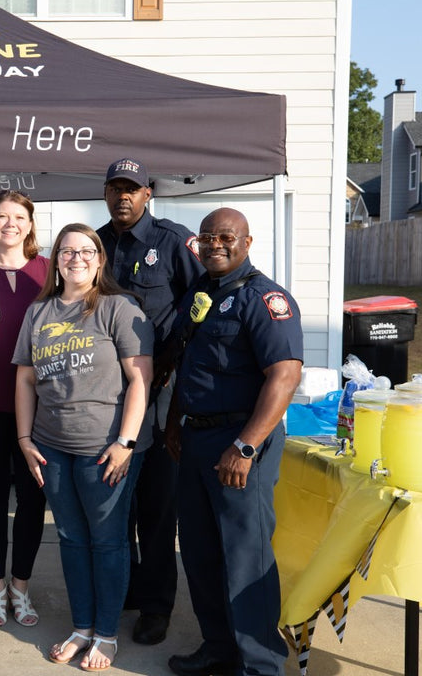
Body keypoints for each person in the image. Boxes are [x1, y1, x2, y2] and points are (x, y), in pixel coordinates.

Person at [164, 207, 303, 676]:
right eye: (207, 237)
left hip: (242, 442)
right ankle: (219, 648)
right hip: (196, 439)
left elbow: (285, 376)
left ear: (247, 243)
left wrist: (245, 447)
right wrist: (174, 423)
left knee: (245, 558)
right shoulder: (200, 293)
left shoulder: (265, 299)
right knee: (200, 551)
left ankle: (261, 665)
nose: (215, 245)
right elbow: (187, 364)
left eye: (226, 237)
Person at [13, 223, 154, 673]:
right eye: (67, 251)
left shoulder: (117, 307)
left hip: (105, 449)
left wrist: (126, 442)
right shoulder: (39, 312)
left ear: (99, 260)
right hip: (51, 447)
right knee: (72, 539)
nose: (76, 258)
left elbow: (140, 379)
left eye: (86, 251)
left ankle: (106, 634)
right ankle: (82, 627)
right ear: (55, 261)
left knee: (108, 541)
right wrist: (24, 439)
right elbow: (25, 379)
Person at [95, 157, 203, 646]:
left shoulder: (173, 241)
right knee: (115, 500)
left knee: (158, 506)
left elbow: (201, 305)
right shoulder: (95, 244)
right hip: (105, 393)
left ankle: (157, 605)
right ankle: (130, 588)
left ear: (148, 193)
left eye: (132, 189)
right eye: (115, 188)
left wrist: (174, 360)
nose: (123, 196)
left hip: (160, 392)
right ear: (105, 193)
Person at [0, 190, 49, 629]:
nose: (10, 224)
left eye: (19, 217)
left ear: (30, 225)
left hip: (40, 408)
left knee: (33, 498)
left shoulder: (48, 271)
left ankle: (21, 586)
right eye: (2, 216)